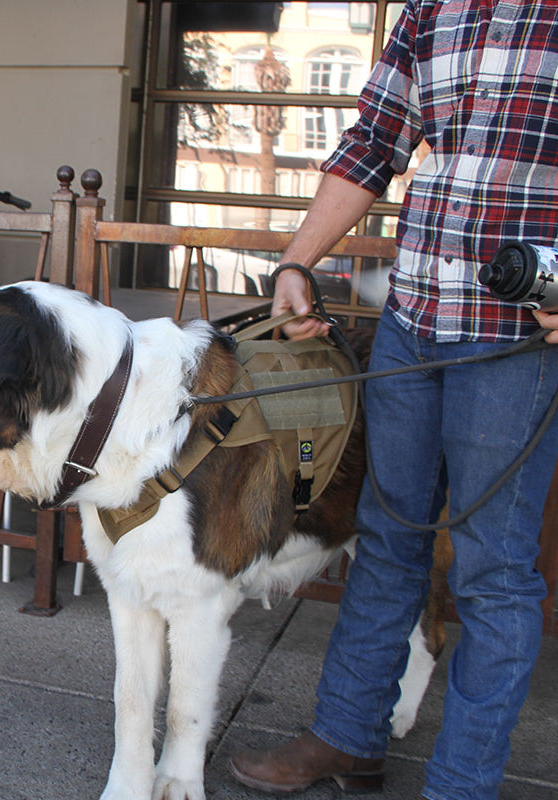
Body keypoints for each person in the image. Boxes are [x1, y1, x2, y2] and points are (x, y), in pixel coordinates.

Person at [229, 3, 558, 799]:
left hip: (514, 341)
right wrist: (297, 262)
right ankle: (349, 736)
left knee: (494, 575)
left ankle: (461, 784)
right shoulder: (433, 10)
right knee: (387, 539)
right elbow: (373, 143)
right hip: (413, 321)